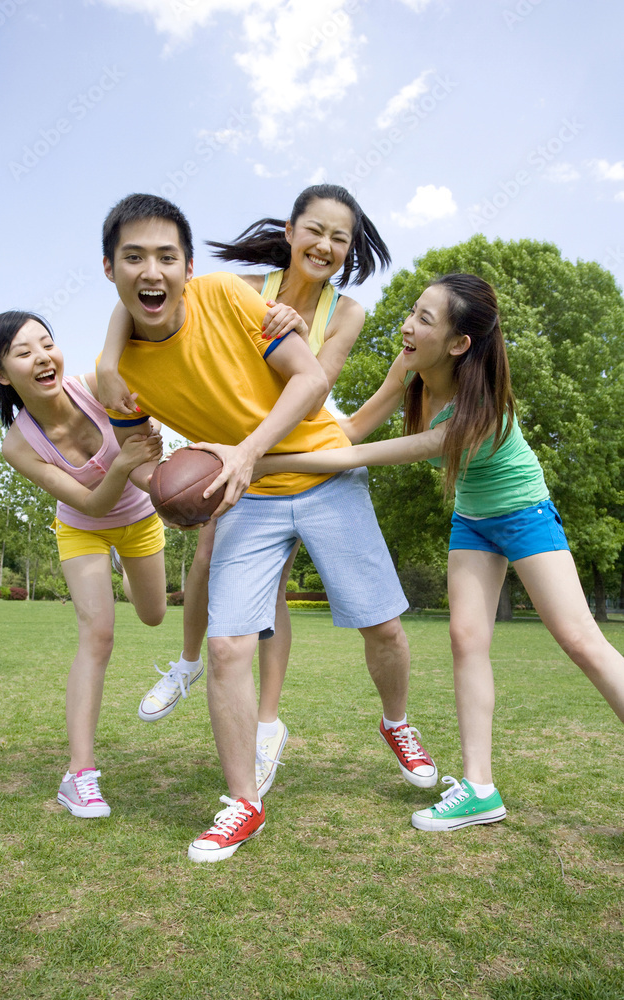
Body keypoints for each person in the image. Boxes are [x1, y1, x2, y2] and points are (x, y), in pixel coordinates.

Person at [97, 192, 437, 863]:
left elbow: (310, 381)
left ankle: (395, 724)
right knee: (228, 648)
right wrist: (170, 492)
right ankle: (242, 803)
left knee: (384, 628)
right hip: (243, 495)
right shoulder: (121, 374)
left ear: (188, 266)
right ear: (109, 269)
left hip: (322, 473)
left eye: (166, 257)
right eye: (132, 258)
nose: (151, 271)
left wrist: (247, 452)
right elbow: (138, 458)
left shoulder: (229, 295)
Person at [248, 272, 624, 831]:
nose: (407, 326)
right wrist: (262, 433)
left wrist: (256, 461)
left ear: (458, 343)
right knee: (466, 640)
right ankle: (479, 788)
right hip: (472, 521)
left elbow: (357, 458)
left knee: (580, 640)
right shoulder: (410, 368)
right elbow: (350, 431)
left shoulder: (477, 415)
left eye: (425, 319)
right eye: (412, 311)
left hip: (524, 514)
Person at [0, 311, 167, 818]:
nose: (42, 357)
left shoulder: (96, 386)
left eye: (47, 343)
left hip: (141, 517)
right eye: (23, 352)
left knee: (153, 614)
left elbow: (149, 455)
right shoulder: (17, 444)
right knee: (97, 634)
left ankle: (125, 574)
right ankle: (78, 774)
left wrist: (166, 488)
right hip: (83, 526)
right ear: (2, 373)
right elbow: (90, 505)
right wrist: (123, 463)